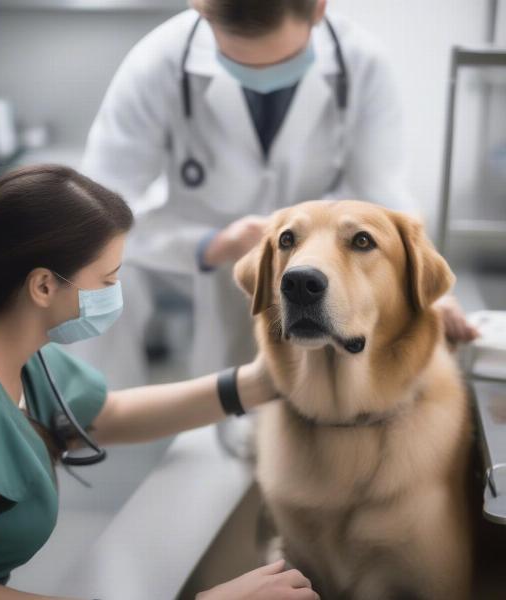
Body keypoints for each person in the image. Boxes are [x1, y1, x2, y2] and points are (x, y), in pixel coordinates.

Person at [0, 165, 319, 600]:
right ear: (44, 285)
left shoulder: (18, 356)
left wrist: (255, 384)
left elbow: (106, 414)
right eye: (108, 279)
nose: (116, 290)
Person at [80, 0, 477, 390]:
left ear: (319, 8)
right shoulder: (156, 63)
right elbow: (97, 210)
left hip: (317, 265)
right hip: (189, 262)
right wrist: (209, 246)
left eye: (282, 61)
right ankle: (99, 422)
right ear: (201, 13)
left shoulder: (362, 63)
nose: (260, 74)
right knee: (93, 274)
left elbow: (382, 191)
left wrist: (423, 289)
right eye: (236, 60)